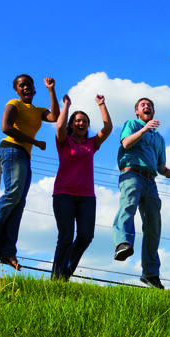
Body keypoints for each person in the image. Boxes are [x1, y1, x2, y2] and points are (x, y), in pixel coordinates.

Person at [0, 74, 59, 270]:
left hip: (24, 155)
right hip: (11, 149)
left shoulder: (37, 111)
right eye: (22, 86)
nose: (26, 88)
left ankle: (7, 251)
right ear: (17, 90)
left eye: (29, 85)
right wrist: (35, 142)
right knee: (13, 194)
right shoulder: (14, 103)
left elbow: (55, 117)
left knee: (19, 202)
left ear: (34, 88)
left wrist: (51, 90)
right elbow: (6, 127)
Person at [112, 98, 170, 289]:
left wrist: (165, 170)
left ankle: (150, 273)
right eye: (143, 105)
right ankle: (122, 243)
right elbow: (127, 143)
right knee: (127, 206)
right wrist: (144, 129)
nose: (147, 107)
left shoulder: (159, 138)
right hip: (131, 174)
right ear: (137, 112)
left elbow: (160, 164)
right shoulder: (132, 124)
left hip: (150, 180)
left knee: (153, 224)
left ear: (153, 112)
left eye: (150, 106)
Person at [51, 94, 113, 280]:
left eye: (85, 121)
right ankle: (57, 278)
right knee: (66, 237)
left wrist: (102, 104)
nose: (81, 123)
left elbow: (108, 128)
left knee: (86, 236)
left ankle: (65, 271)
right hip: (64, 195)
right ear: (72, 124)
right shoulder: (64, 142)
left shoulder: (91, 144)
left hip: (87, 197)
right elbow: (59, 126)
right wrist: (67, 106)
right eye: (77, 121)